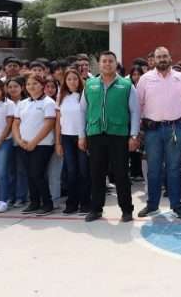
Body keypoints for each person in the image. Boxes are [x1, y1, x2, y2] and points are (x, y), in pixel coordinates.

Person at [79, 51, 140, 222]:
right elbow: (82, 110)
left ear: (116, 63)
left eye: (110, 61)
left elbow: (135, 111)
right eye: (104, 61)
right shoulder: (90, 85)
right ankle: (96, 209)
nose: (107, 64)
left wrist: (134, 135)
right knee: (96, 173)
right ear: (99, 64)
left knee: (121, 174)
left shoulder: (126, 85)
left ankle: (126, 210)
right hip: (95, 135)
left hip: (119, 135)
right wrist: (81, 135)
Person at [136, 46, 181, 219]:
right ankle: (152, 205)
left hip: (175, 128)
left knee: (174, 169)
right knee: (153, 169)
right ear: (154, 60)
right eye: (159, 57)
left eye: (164, 56)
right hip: (152, 130)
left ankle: (177, 205)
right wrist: (137, 130)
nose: (162, 59)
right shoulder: (145, 79)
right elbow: (138, 105)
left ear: (170, 58)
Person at [12, 74, 56, 215]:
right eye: (29, 84)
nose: (31, 86)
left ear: (42, 85)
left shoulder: (48, 103)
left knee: (37, 174)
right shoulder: (22, 103)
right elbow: (16, 123)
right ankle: (34, 203)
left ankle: (47, 204)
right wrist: (19, 140)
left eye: (35, 83)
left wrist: (34, 142)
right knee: (30, 174)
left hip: (42, 145)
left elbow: (49, 125)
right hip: (24, 144)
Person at [55, 69, 90, 215]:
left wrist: (84, 137)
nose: (72, 82)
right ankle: (72, 203)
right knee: (71, 171)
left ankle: (85, 203)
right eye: (69, 79)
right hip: (67, 138)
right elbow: (58, 121)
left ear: (79, 80)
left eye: (75, 79)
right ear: (65, 81)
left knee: (84, 171)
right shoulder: (61, 96)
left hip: (82, 136)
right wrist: (58, 142)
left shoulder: (85, 95)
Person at [6, 76, 27, 207]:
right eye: (10, 87)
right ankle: (10, 196)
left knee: (21, 170)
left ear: (22, 88)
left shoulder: (26, 103)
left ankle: (21, 197)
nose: (12, 89)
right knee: (9, 171)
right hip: (7, 141)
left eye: (15, 86)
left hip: (21, 141)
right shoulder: (4, 103)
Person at [0, 80, 14, 213]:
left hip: (4, 142)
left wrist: (0, 140)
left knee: (2, 172)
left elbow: (9, 125)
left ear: (2, 89)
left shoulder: (9, 104)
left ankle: (4, 200)